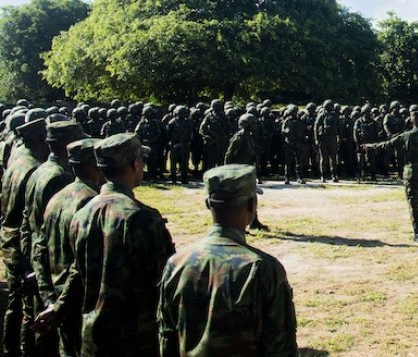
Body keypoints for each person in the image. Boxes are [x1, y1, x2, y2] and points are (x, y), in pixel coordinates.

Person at [35, 133, 176, 356]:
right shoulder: (143, 218)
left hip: (92, 337)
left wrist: (58, 308)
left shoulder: (83, 215)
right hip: (135, 340)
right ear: (135, 164)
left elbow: (76, 272)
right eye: (141, 160)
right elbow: (164, 282)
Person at [158, 164, 298, 356]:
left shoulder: (176, 264)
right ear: (252, 205)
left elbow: (167, 341)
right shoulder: (262, 269)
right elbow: (281, 348)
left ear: (208, 204)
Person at [33, 137, 104, 357]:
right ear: (95, 165)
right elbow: (81, 263)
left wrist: (48, 297)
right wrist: (60, 306)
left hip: (58, 293)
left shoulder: (58, 197)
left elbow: (39, 249)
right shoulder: (91, 202)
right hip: (77, 299)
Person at [21, 120, 85, 356]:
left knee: (37, 324)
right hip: (55, 265)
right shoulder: (60, 178)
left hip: (40, 259)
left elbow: (27, 222)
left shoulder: (39, 170)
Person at [0, 116, 49, 356]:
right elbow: (30, 219)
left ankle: (9, 347)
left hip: (8, 237)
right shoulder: (34, 168)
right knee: (30, 308)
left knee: (14, 300)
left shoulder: (17, 161)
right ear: (40, 138)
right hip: (22, 243)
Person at [364, 108, 418, 242]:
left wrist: (372, 146)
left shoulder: (406, 136)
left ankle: (417, 233)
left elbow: (387, 144)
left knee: (413, 202)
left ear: (412, 120)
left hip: (410, 172)